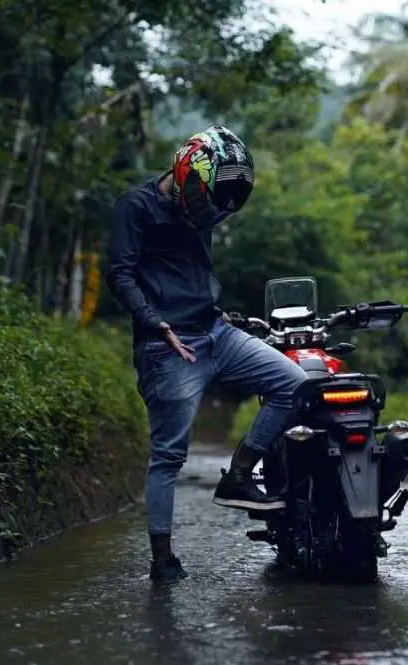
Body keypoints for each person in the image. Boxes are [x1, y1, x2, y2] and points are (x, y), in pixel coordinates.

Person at [104, 125, 308, 582]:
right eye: (203, 198)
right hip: (167, 344)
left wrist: (224, 316)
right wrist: (155, 322)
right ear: (186, 171)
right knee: (168, 455)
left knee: (293, 383)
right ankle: (162, 558)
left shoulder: (205, 210)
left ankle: (239, 475)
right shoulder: (135, 207)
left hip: (216, 331)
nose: (207, 211)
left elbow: (191, 275)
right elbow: (121, 275)